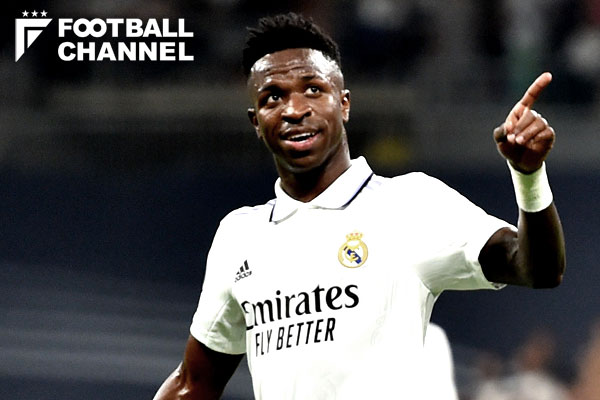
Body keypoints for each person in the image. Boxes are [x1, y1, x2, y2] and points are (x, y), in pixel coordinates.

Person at [154, 12, 565, 399]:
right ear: (256, 122)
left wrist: (529, 177)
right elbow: (194, 384)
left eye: (313, 89)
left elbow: (538, 268)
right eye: (273, 97)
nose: (295, 109)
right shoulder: (239, 236)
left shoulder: (410, 203)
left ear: (344, 103)